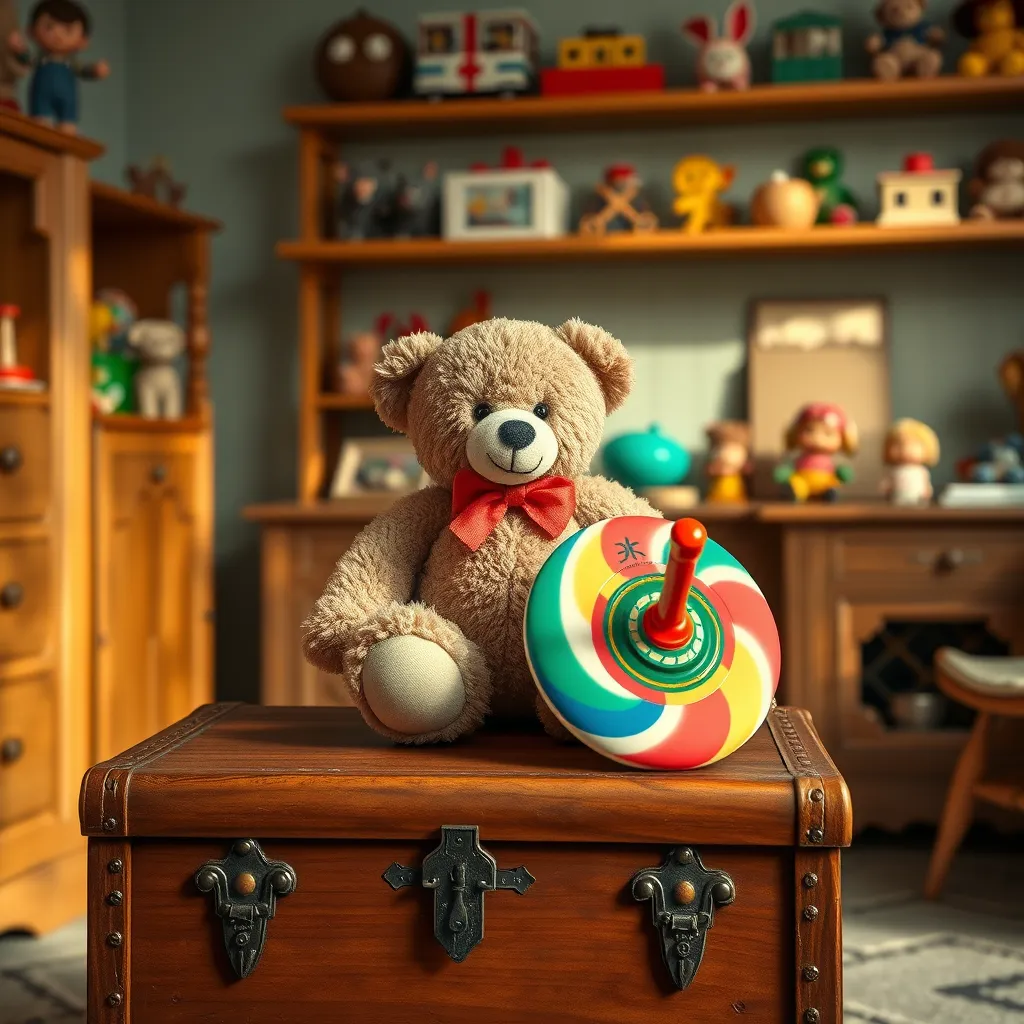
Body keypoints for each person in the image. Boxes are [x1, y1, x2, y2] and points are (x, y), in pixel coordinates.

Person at [8, 0, 109, 134]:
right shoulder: (41, 60)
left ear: (83, 41)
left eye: (67, 30)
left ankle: (67, 129)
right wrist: (20, 50)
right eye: (49, 27)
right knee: (39, 125)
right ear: (31, 31)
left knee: (68, 126)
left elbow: (82, 70)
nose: (58, 34)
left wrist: (95, 71)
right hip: (41, 95)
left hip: (68, 96)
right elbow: (28, 60)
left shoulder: (71, 64)